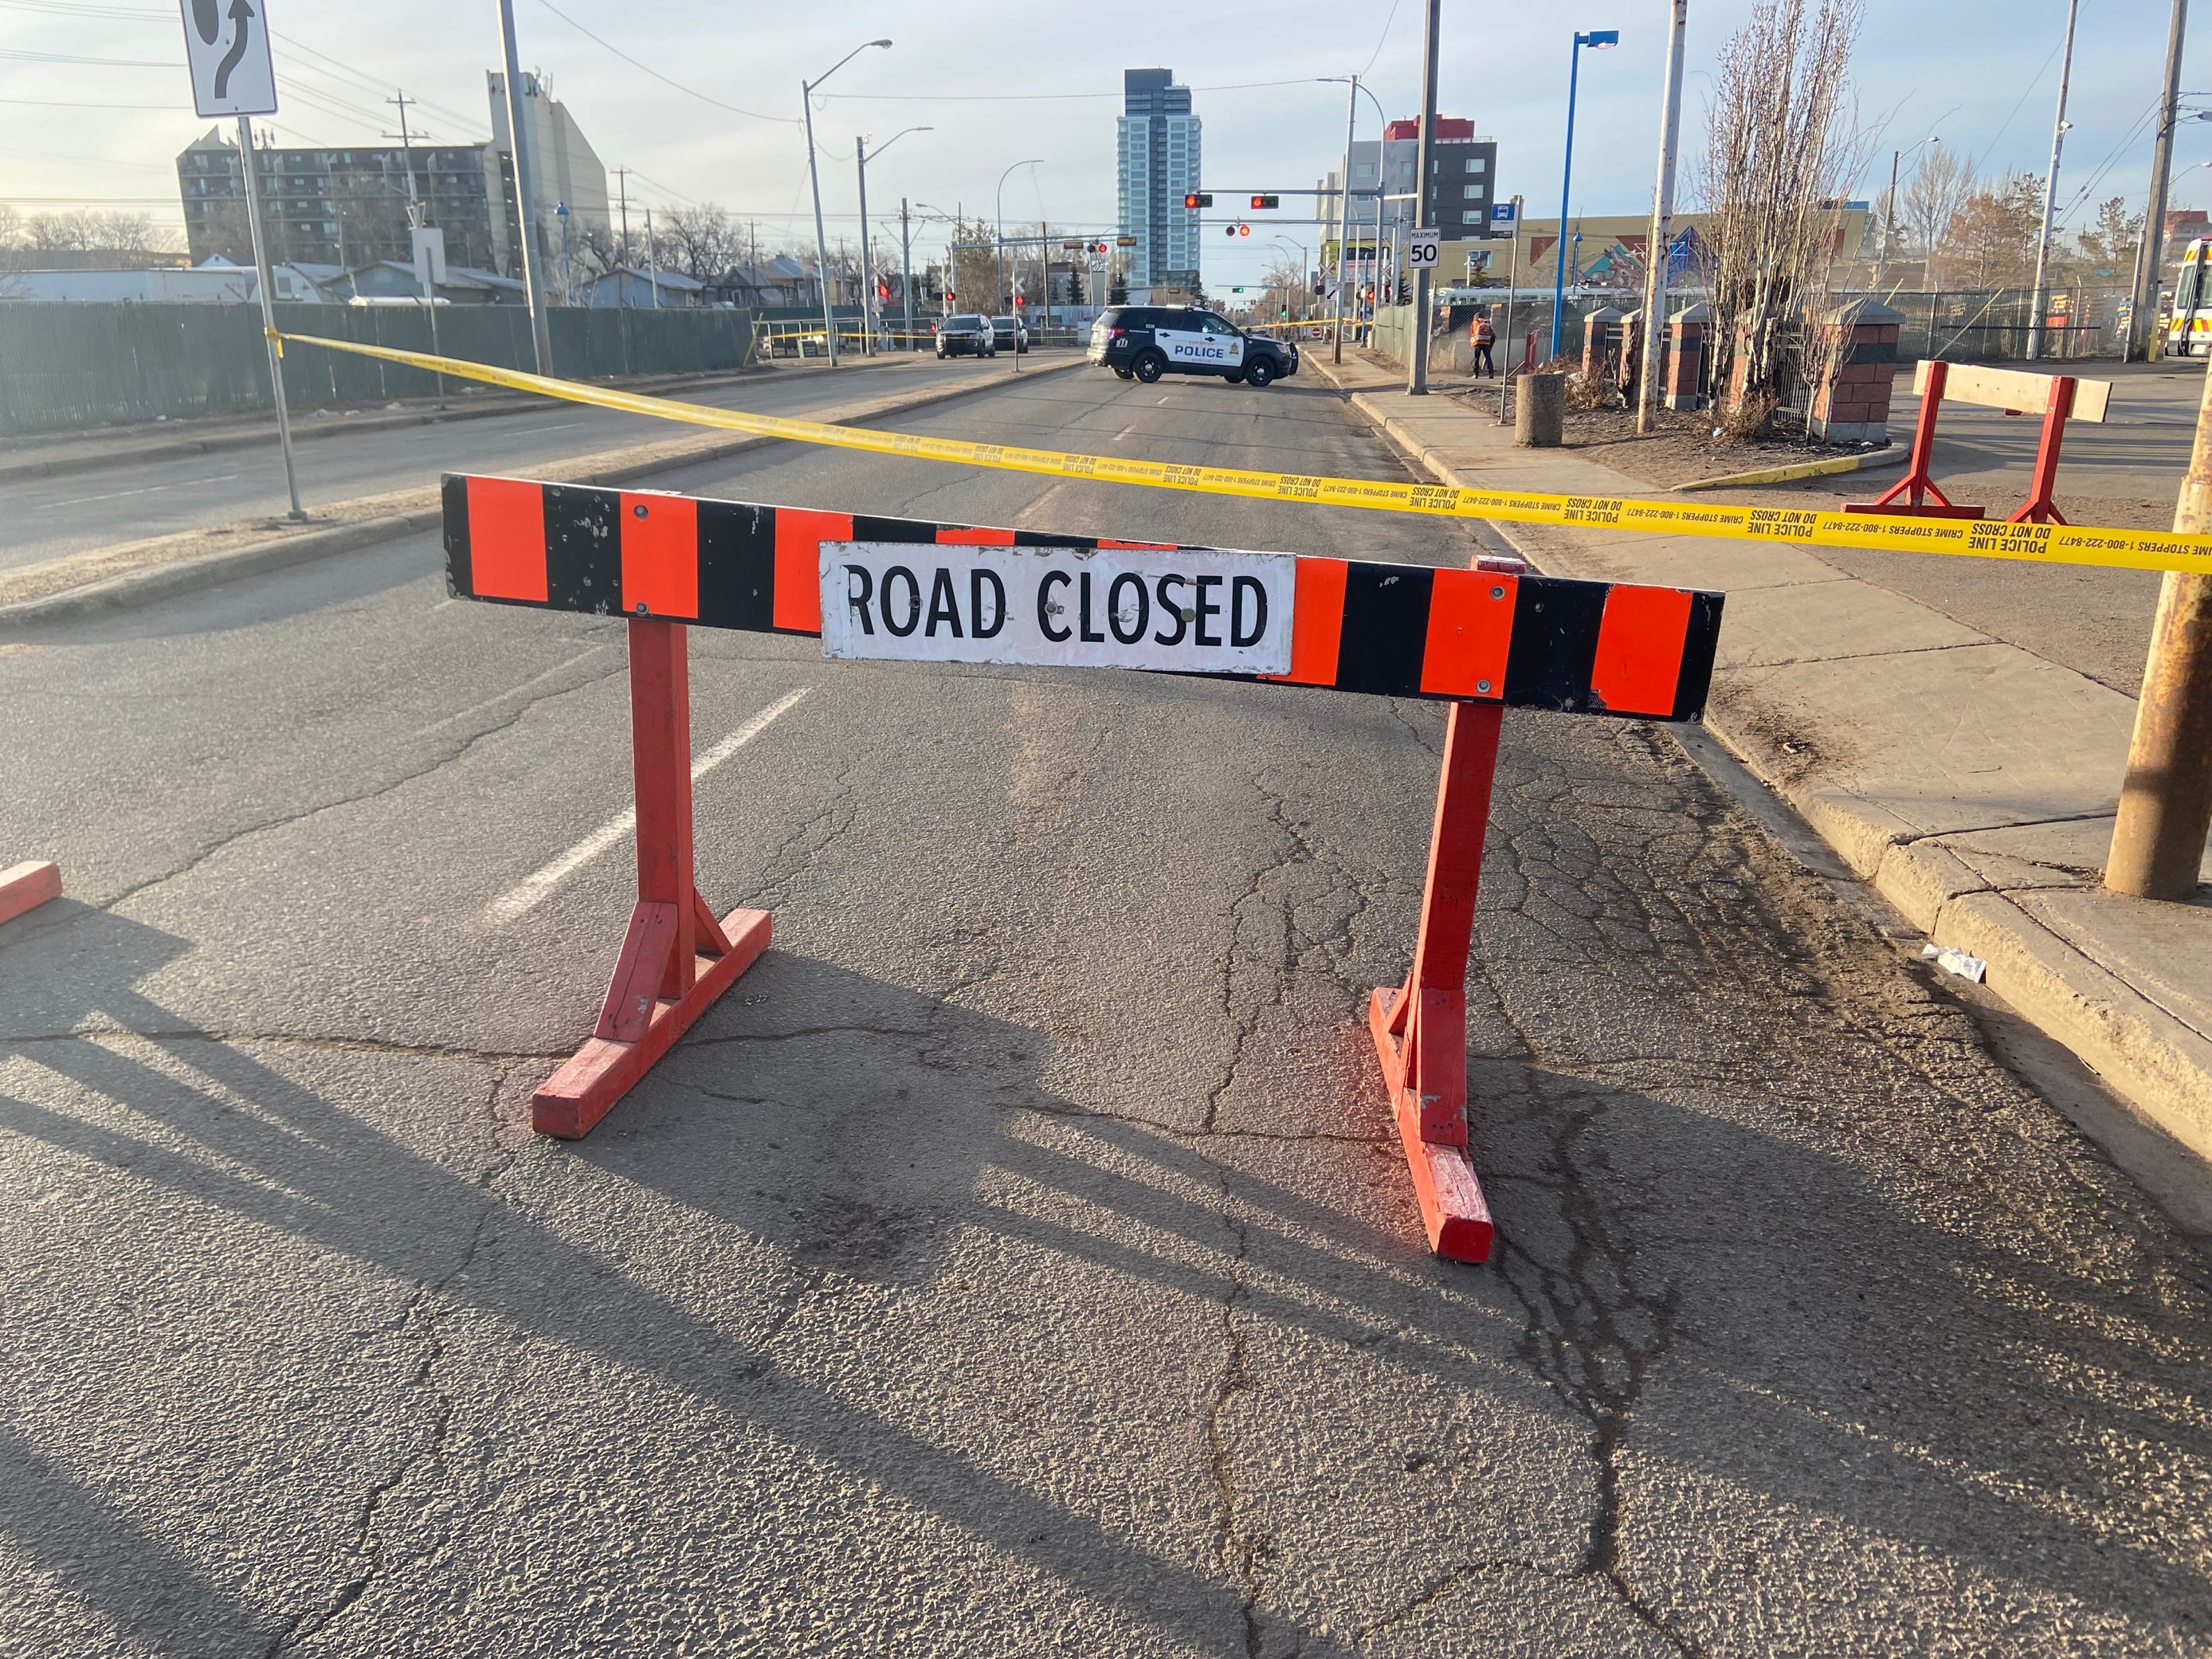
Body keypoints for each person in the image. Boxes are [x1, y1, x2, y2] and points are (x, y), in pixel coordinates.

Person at [1470, 308, 1496, 378]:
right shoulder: (1486, 323)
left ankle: (1476, 374)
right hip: (1486, 343)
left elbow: (1473, 333)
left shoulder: (1474, 323)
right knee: (1488, 357)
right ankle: (1491, 374)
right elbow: (1492, 334)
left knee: (1477, 358)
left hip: (1478, 343)